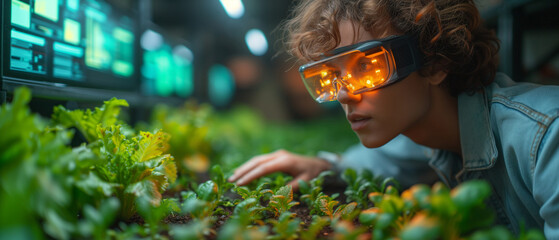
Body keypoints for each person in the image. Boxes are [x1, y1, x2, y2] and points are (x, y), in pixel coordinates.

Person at [228, 0, 559, 237]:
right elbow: (384, 162)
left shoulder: (547, 142)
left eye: (368, 67)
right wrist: (323, 166)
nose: (344, 94)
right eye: (331, 77)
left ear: (434, 62)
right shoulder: (429, 137)